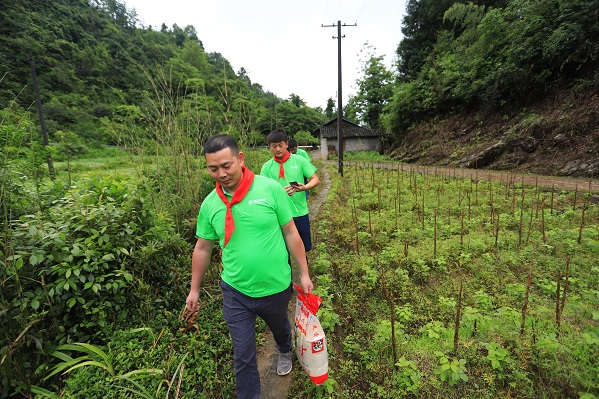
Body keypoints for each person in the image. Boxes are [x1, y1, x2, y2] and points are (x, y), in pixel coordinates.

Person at [186, 134, 314, 399]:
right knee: (242, 357)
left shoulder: (269, 189)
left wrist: (304, 273)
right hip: (236, 291)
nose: (220, 174)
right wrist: (194, 290)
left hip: (276, 286)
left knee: (280, 330)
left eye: (226, 165)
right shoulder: (211, 204)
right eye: (213, 168)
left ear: (240, 159)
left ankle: (283, 348)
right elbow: (202, 248)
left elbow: (290, 233)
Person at [260, 129, 319, 256]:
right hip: (279, 215)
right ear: (269, 147)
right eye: (274, 146)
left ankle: (304, 271)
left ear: (286, 144)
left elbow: (315, 179)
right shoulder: (266, 167)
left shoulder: (299, 160)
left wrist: (304, 187)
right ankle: (288, 275)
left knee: (304, 247)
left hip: (299, 211)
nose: (278, 149)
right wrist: (279, 192)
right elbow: (263, 192)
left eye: (280, 145)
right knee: (283, 250)